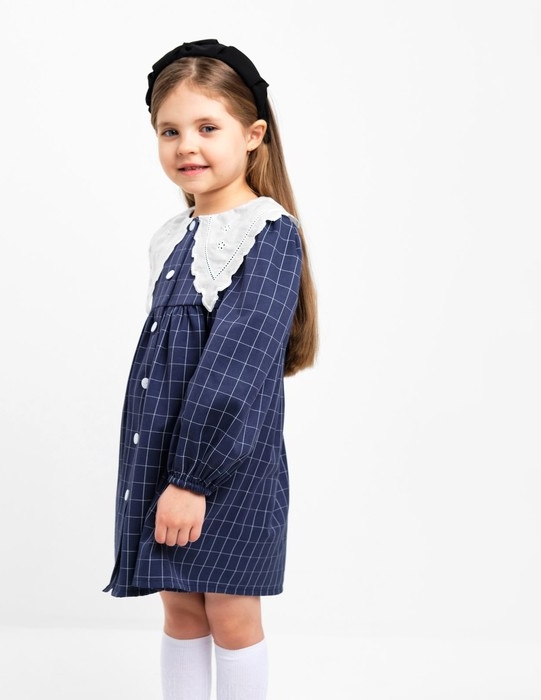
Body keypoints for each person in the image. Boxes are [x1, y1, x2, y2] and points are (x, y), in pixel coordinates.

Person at [103, 38, 319, 700]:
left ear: (252, 135)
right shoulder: (175, 235)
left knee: (230, 610)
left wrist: (191, 479)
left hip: (224, 464)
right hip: (169, 462)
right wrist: (166, 474)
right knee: (180, 606)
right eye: (169, 131)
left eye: (207, 127)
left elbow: (237, 367)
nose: (186, 146)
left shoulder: (267, 232)